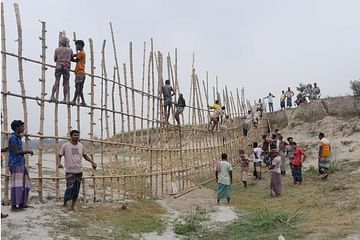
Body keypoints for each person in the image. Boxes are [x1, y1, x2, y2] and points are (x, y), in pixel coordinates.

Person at [58, 130, 97, 211]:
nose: (77, 137)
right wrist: (59, 163)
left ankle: (73, 205)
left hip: (79, 171)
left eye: (78, 135)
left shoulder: (81, 146)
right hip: (70, 171)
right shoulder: (65, 146)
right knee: (69, 188)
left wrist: (92, 162)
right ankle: (65, 204)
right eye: (75, 135)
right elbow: (59, 155)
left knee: (76, 189)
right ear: (71, 136)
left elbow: (85, 156)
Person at [8, 120, 34, 210]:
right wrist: (28, 151)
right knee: (17, 185)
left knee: (24, 184)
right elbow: (17, 152)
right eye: (22, 127)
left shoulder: (17, 137)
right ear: (17, 128)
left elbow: (18, 139)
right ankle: (14, 205)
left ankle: (22, 203)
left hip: (20, 164)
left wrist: (23, 135)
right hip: (15, 164)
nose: (24, 128)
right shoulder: (13, 138)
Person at [50, 37, 73, 102]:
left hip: (58, 66)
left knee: (57, 81)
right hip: (66, 67)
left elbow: (55, 59)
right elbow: (71, 58)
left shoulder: (57, 50)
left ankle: (52, 96)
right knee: (65, 83)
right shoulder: (70, 50)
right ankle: (64, 99)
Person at [70, 40, 87, 106]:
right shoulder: (82, 53)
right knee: (80, 89)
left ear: (80, 45)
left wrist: (70, 58)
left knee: (78, 87)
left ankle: (74, 100)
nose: (76, 47)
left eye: (77, 45)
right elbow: (76, 55)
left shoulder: (81, 53)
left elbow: (76, 60)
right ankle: (83, 102)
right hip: (81, 73)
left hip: (79, 72)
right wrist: (74, 55)